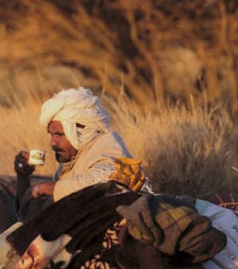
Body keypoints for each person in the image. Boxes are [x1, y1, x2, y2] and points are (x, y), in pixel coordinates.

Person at [13, 87, 150, 214]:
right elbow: (27, 215)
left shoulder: (109, 151)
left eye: (59, 135)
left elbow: (108, 181)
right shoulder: (74, 159)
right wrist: (23, 176)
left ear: (83, 132)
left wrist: (44, 188)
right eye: (51, 134)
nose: (52, 143)